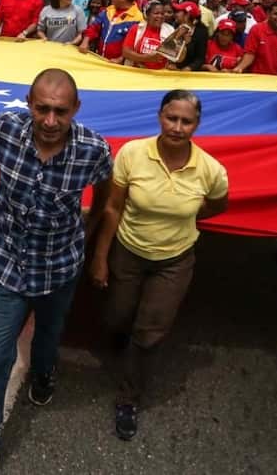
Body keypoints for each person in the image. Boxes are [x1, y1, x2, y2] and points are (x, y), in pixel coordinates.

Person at [0, 69, 113, 475]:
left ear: (75, 109)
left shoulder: (94, 150)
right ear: (28, 102)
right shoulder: (3, 128)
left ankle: (44, 374)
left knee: (49, 334)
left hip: (59, 265)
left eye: (60, 111)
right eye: (42, 108)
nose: (50, 121)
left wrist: (88, 231)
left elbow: (105, 195)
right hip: (4, 260)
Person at [88, 90, 228, 440]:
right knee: (117, 317)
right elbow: (113, 209)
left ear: (197, 124)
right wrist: (101, 258)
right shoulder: (133, 154)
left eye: (186, 121)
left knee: (149, 333)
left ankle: (128, 397)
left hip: (175, 261)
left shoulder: (211, 171)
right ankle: (122, 339)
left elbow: (216, 206)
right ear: (159, 116)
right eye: (171, 118)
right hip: (128, 252)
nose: (177, 127)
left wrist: (185, 214)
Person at [78, 0, 144, 61]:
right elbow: (94, 27)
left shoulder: (138, 19)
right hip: (99, 59)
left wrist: (120, 59)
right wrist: (85, 41)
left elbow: (135, 45)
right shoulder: (108, 10)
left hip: (118, 66)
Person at [236, 1, 277, 75]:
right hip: (256, 78)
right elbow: (250, 54)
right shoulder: (256, 29)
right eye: (276, 14)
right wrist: (240, 67)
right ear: (268, 14)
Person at [120, 2, 174, 70]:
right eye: (156, 13)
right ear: (147, 15)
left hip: (158, 76)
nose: (160, 16)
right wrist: (146, 58)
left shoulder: (170, 31)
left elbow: (176, 57)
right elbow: (126, 52)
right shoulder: (136, 28)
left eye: (162, 14)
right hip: (136, 72)